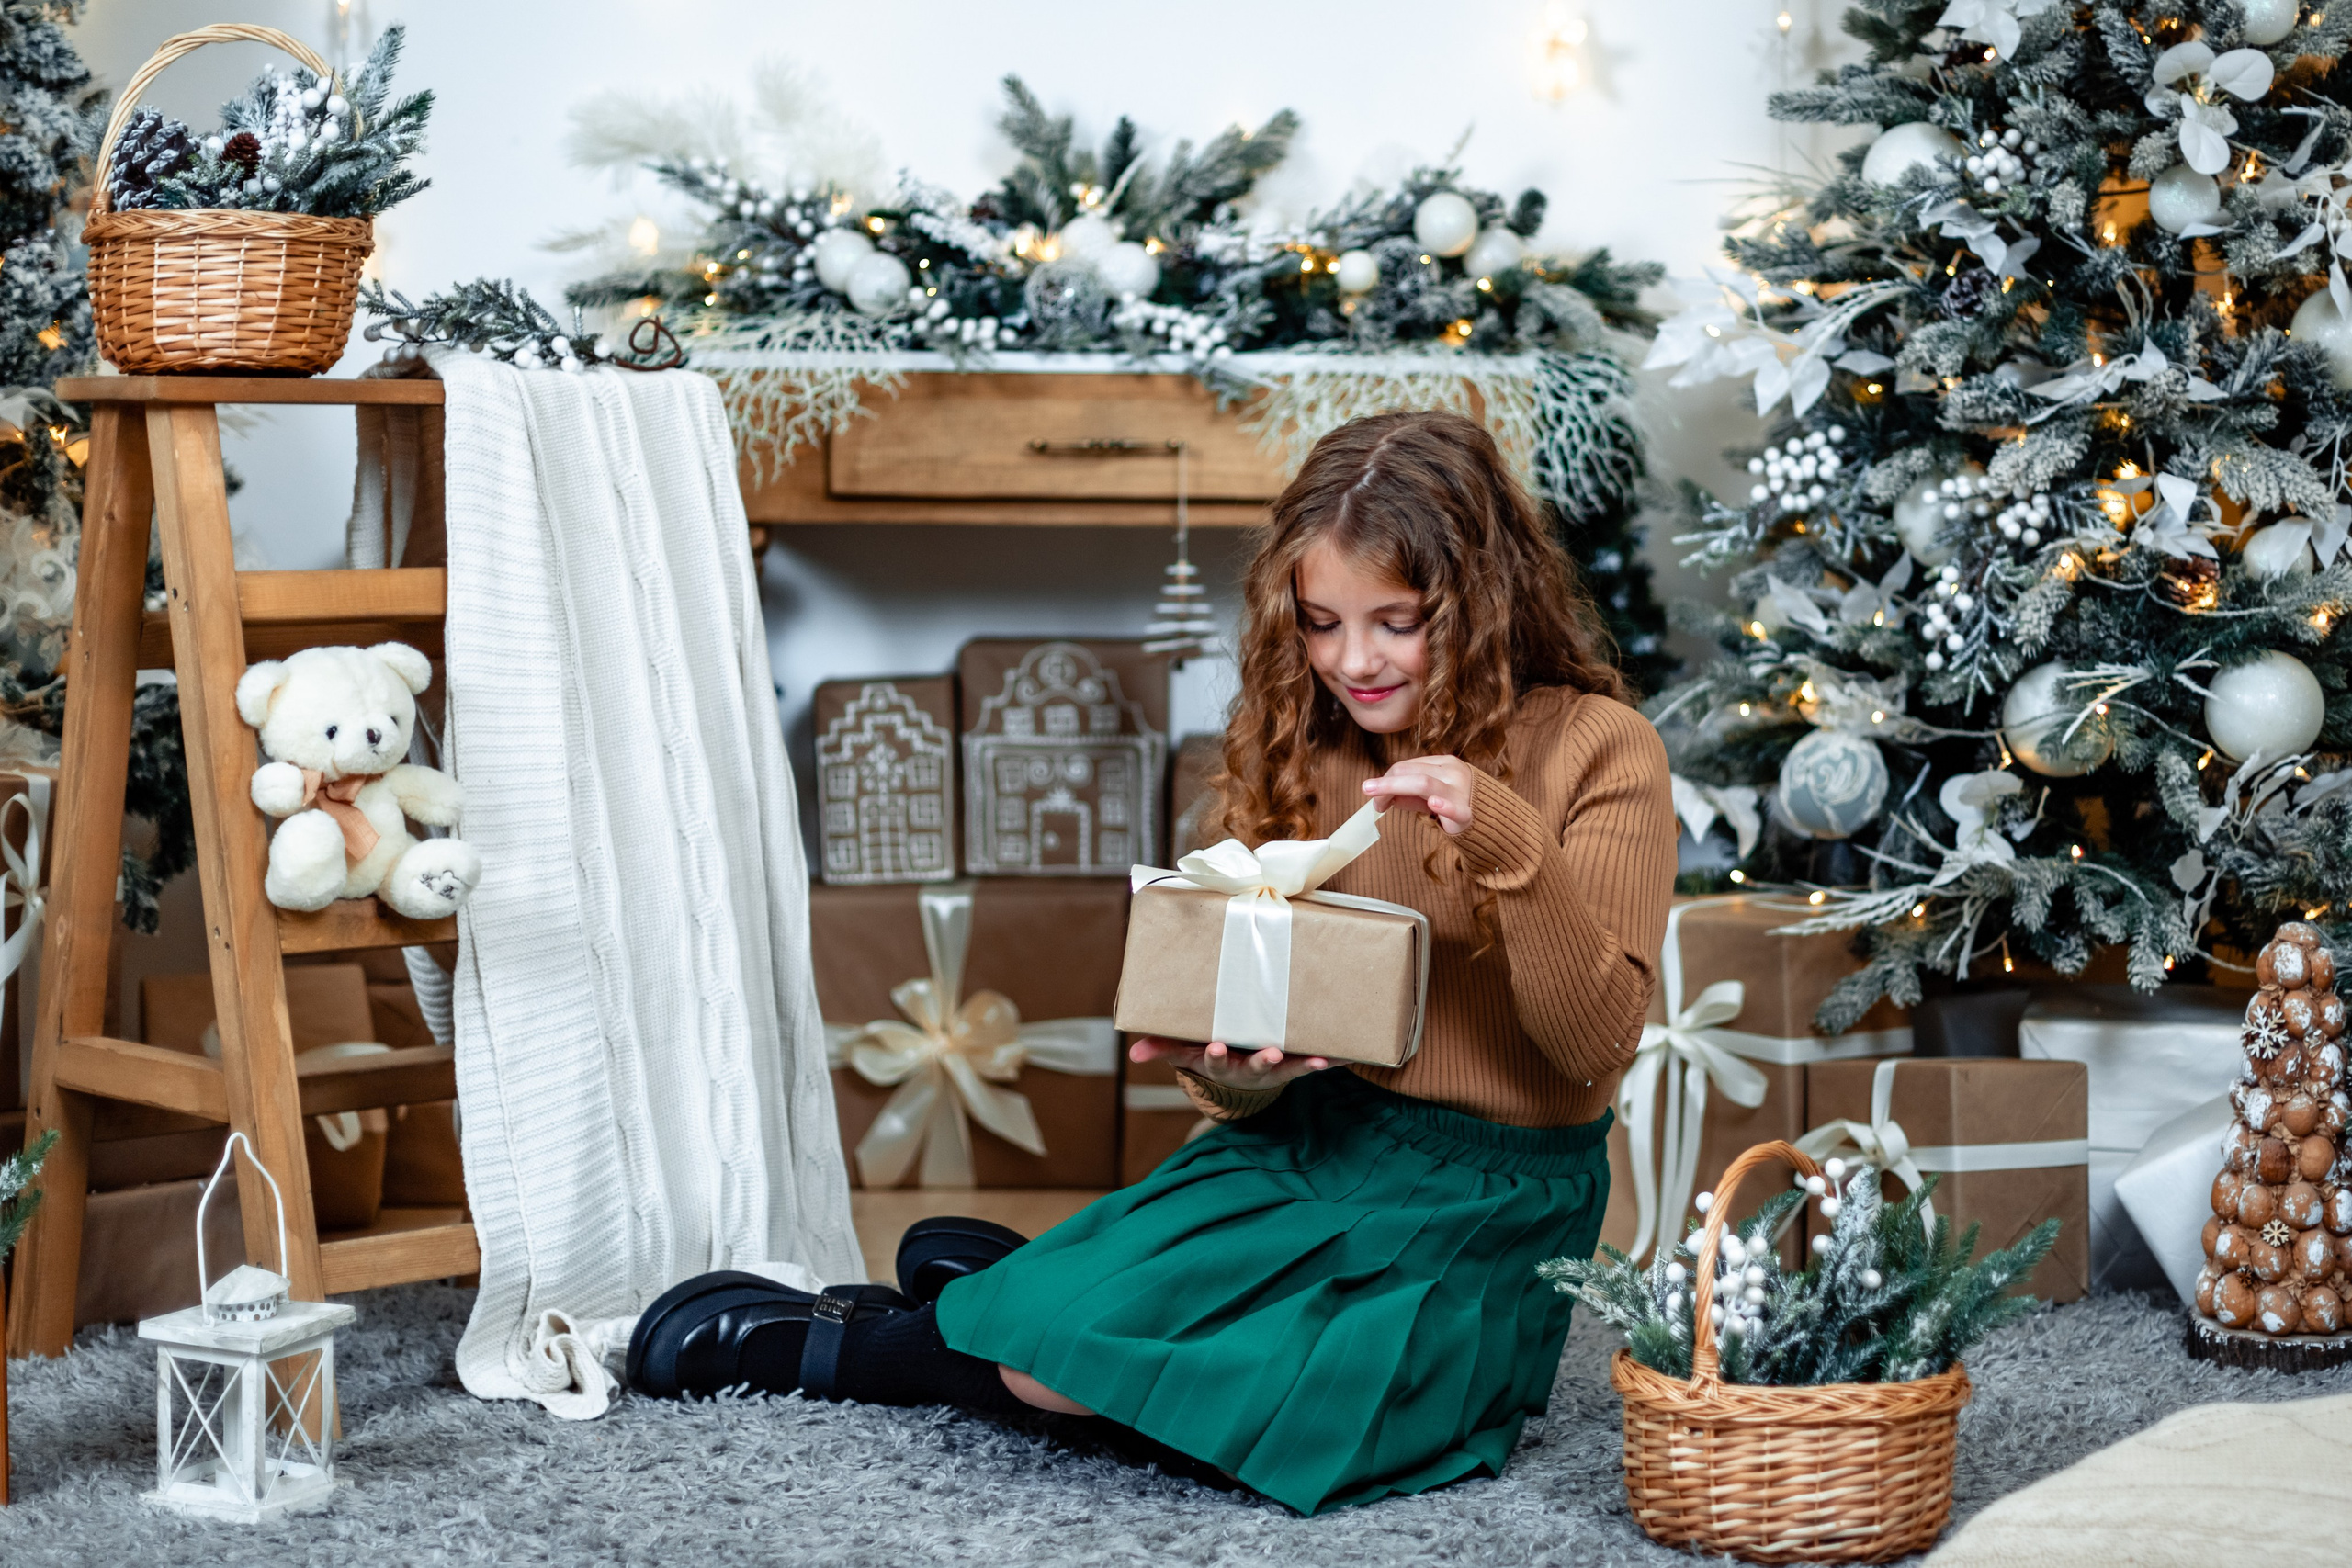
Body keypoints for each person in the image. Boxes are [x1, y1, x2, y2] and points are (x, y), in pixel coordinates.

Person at [628, 409, 1677, 1515]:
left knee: (1285, 1424)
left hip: (1493, 1198)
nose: (1352, 662)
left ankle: (945, 1323)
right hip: (1319, 1148)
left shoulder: (1604, 749)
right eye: (1320, 623)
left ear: (1482, 605)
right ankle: (891, 1334)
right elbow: (1249, 1063)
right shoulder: (1314, 744)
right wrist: (1241, 1070)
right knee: (1068, 1367)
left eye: (1396, 623)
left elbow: (1588, 1048)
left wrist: (1505, 838)